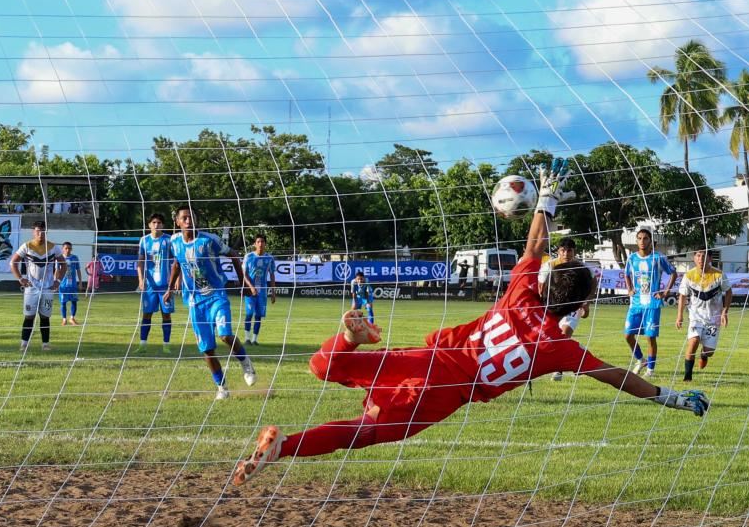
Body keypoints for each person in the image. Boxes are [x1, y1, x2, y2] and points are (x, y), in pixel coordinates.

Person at [233, 162, 708, 486]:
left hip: (429, 358)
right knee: (365, 430)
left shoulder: (520, 293)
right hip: (445, 392)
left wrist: (546, 199)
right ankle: (287, 448)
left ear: (545, 285)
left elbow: (534, 248)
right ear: (578, 305)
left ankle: (345, 342)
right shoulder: (561, 348)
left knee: (324, 369)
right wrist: (675, 399)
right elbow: (621, 378)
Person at [168, 206, 257, 400]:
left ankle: (246, 364)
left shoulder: (209, 240)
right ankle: (222, 388)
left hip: (216, 295)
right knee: (207, 348)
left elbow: (233, 254)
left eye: (192, 217)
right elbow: (176, 263)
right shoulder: (174, 241)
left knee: (225, 335)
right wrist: (169, 288)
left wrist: (241, 280)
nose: (189, 221)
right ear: (177, 222)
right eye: (184, 218)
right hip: (194, 301)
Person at [624, 228, 677, 379]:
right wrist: (629, 289)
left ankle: (650, 370)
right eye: (639, 238)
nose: (642, 241)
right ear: (636, 241)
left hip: (652, 303)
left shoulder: (658, 258)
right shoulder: (632, 258)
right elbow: (627, 274)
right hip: (636, 303)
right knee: (628, 335)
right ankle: (641, 360)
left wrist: (666, 291)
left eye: (645, 238)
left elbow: (673, 273)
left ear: (651, 241)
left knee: (650, 337)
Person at [675, 250, 732, 383]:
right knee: (693, 342)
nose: (701, 258)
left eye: (704, 256)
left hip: (713, 318)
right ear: (694, 258)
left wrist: (725, 311)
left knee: (709, 351)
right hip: (695, 316)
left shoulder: (719, 275)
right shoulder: (689, 275)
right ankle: (687, 377)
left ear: (710, 258)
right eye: (698, 255)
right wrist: (680, 316)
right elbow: (682, 295)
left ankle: (704, 355)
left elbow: (729, 292)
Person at [10, 220, 66, 353]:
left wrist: (58, 280)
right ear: (33, 232)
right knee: (29, 316)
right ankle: (24, 344)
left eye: (43, 231)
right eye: (38, 231)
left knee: (45, 316)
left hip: (47, 288)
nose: (40, 233)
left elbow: (63, 264)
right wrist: (20, 278)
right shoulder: (27, 246)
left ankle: (45, 344)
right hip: (31, 288)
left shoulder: (53, 247)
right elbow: (13, 262)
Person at [539, 237, 587, 382]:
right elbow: (541, 286)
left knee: (564, 334)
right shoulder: (549, 265)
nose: (566, 253)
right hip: (554, 305)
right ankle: (580, 352)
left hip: (572, 306)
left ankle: (558, 370)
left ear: (574, 252)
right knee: (551, 337)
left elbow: (592, 282)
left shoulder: (581, 267)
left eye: (569, 250)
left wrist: (586, 303)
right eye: (563, 250)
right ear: (558, 251)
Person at [136, 214, 175, 353]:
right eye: (154, 222)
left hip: (165, 286)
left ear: (163, 225)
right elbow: (140, 262)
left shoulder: (169, 240)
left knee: (166, 315)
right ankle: (142, 344)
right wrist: (141, 280)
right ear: (149, 225)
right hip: (150, 286)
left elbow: (177, 260)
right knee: (147, 314)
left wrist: (176, 280)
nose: (156, 225)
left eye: (159, 222)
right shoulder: (144, 240)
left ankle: (166, 346)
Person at [241, 234, 276, 345]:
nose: (260, 244)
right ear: (255, 244)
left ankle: (254, 339)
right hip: (250, 291)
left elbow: (272, 275)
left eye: (262, 241)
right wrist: (251, 287)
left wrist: (273, 292)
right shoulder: (249, 256)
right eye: (258, 241)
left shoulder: (269, 258)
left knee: (258, 315)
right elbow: (244, 274)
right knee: (249, 313)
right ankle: (247, 338)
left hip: (262, 291)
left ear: (265, 244)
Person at [59, 241, 82, 326]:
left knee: (74, 301)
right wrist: (55, 282)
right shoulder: (60, 258)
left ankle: (72, 318)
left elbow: (78, 270)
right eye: (66, 248)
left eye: (69, 248)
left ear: (71, 249)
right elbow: (57, 271)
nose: (68, 250)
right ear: (63, 249)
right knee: (63, 302)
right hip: (63, 284)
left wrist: (80, 282)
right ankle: (64, 319)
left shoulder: (75, 258)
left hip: (73, 284)